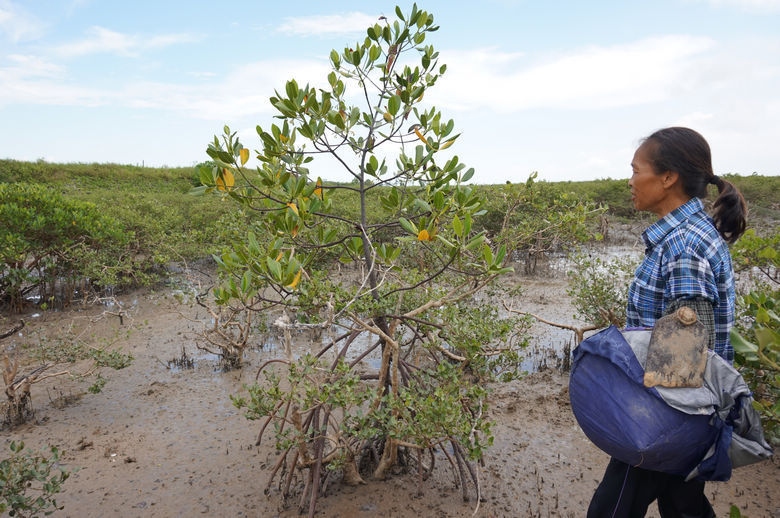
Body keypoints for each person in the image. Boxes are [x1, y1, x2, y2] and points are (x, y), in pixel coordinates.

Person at [587, 127, 748, 517]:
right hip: (684, 418)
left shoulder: (683, 247)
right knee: (684, 505)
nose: (630, 181)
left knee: (610, 510)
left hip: (669, 417)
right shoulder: (689, 235)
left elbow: (684, 365)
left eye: (636, 170)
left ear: (667, 177)